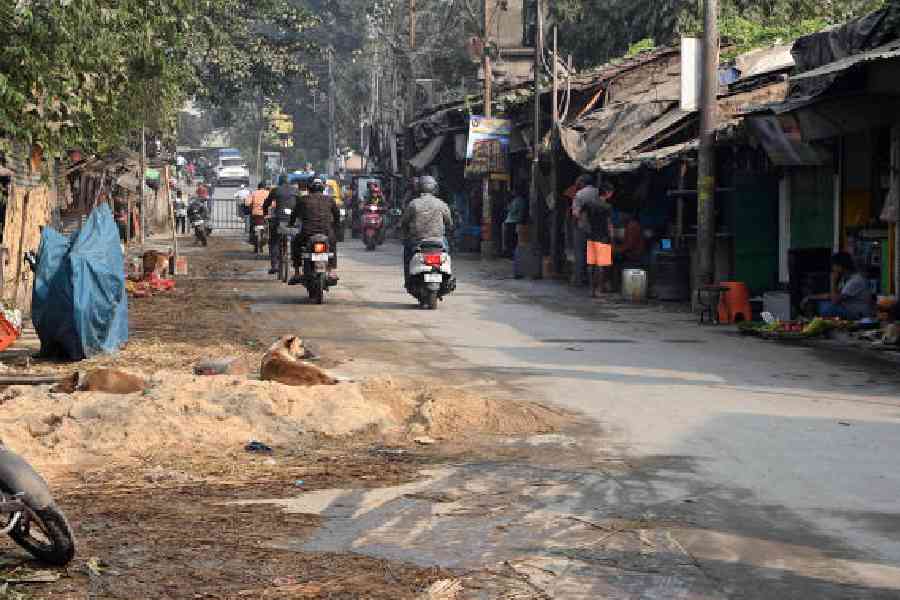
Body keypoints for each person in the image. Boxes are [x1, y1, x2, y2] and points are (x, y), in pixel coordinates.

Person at [401, 176, 453, 291]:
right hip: (438, 241)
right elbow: (449, 222)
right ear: (434, 188)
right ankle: (448, 279)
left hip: (417, 240)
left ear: (419, 188)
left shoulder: (413, 204)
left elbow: (404, 222)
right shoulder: (441, 204)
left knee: (407, 255)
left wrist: (405, 234)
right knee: (447, 253)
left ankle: (408, 281)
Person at [288, 177, 340, 285]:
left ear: (309, 189)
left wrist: (291, 224)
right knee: (333, 243)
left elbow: (293, 215)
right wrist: (335, 227)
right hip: (326, 232)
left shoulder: (303, 199)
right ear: (322, 189)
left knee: (295, 242)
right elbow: (337, 216)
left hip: (307, 233)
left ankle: (297, 271)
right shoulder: (330, 199)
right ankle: (331, 271)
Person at [804, 252, 875, 319]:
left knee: (825, 307)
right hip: (847, 308)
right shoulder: (845, 278)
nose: (833, 269)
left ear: (840, 266)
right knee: (817, 302)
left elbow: (835, 300)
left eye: (834, 266)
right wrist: (810, 297)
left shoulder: (855, 280)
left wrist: (833, 281)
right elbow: (832, 295)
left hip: (858, 313)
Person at [263, 175, 299, 275]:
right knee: (297, 241)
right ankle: (297, 266)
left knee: (273, 241)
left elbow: (266, 203)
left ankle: (274, 266)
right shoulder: (296, 191)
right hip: (292, 221)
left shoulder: (276, 190)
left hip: (279, 220)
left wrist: (265, 214)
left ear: (280, 181)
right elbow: (300, 204)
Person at [584, 181, 615, 298]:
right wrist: (612, 237)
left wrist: (588, 231)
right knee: (601, 265)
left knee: (592, 264)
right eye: (611, 192)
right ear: (607, 193)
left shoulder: (589, 204)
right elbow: (609, 224)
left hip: (591, 236)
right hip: (603, 237)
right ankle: (598, 290)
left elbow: (584, 220)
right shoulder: (607, 207)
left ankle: (591, 290)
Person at [570, 174, 598, 287]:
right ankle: (598, 282)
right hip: (598, 229)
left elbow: (575, 214)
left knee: (580, 253)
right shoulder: (598, 192)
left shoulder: (580, 194)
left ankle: (580, 279)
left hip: (582, 227)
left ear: (582, 183)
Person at [503, 187, 526, 258]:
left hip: (512, 222)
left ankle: (511, 254)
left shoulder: (517, 200)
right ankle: (512, 253)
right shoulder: (522, 200)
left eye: (513, 191)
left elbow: (512, 210)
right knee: (514, 239)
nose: (512, 193)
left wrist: (508, 206)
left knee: (510, 239)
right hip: (516, 221)